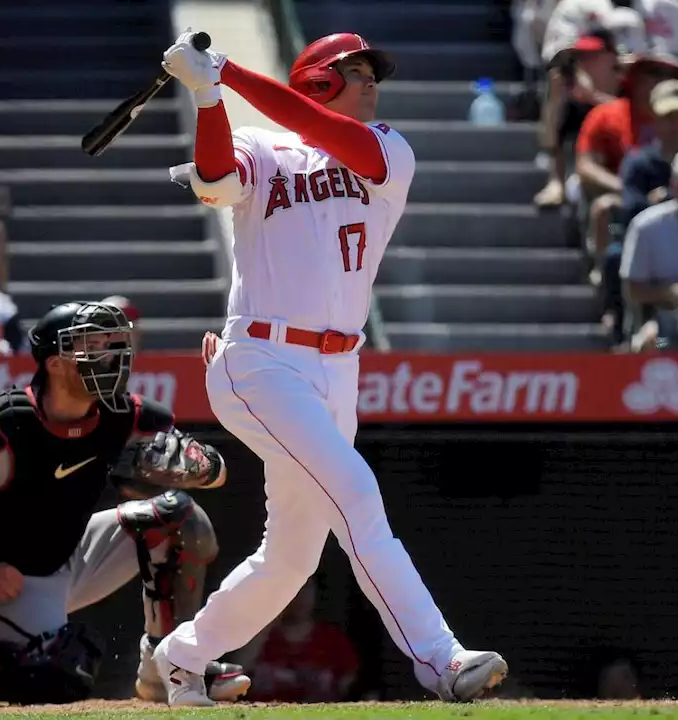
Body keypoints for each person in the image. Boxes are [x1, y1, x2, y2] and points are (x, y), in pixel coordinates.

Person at [153, 30, 507, 707]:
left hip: (336, 370)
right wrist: (206, 96)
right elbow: (216, 179)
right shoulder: (265, 144)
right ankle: (441, 660)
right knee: (357, 497)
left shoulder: (390, 151)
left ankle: (181, 657)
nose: (371, 80)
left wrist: (225, 72)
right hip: (261, 359)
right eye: (354, 70)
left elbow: (315, 124)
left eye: (374, 70)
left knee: (290, 559)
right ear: (315, 78)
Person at [0, 301, 251, 705]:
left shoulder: (125, 414)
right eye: (92, 346)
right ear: (55, 363)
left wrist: (200, 466)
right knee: (65, 669)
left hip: (67, 553)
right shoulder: (1, 426)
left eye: (110, 344)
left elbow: (218, 472)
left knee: (182, 517)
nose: (109, 356)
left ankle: (168, 666)